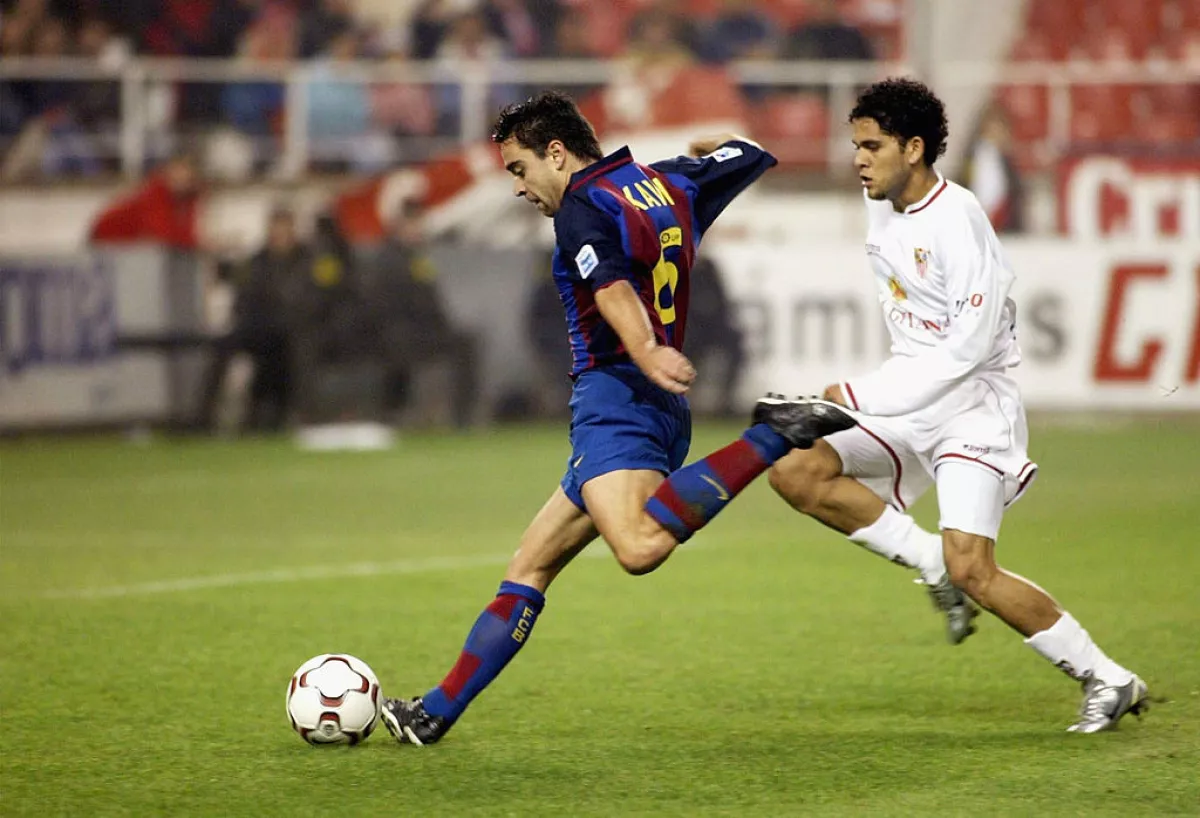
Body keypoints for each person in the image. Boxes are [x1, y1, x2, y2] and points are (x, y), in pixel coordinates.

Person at [381, 91, 856, 745]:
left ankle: (773, 433)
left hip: (618, 399)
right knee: (530, 566)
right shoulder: (666, 183)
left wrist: (646, 349)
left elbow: (611, 288)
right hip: (651, 406)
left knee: (635, 547)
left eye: (519, 169)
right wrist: (712, 149)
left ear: (556, 152)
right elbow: (749, 155)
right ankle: (434, 712)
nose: (518, 188)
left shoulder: (582, 205)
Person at [762, 78, 1148, 734]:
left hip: (971, 408)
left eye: (872, 146)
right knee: (797, 470)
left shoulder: (959, 220)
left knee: (975, 568)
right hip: (910, 402)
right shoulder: (881, 202)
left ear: (914, 149)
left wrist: (849, 398)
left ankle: (1108, 679)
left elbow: (963, 354)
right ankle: (927, 559)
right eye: (854, 144)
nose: (858, 158)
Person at [363, 200, 479, 429]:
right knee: (404, 349)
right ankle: (398, 411)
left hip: (424, 330)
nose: (418, 229)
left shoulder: (417, 257)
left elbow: (431, 301)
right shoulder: (389, 258)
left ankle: (461, 415)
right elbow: (386, 304)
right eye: (412, 223)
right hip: (398, 331)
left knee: (466, 342)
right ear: (399, 226)